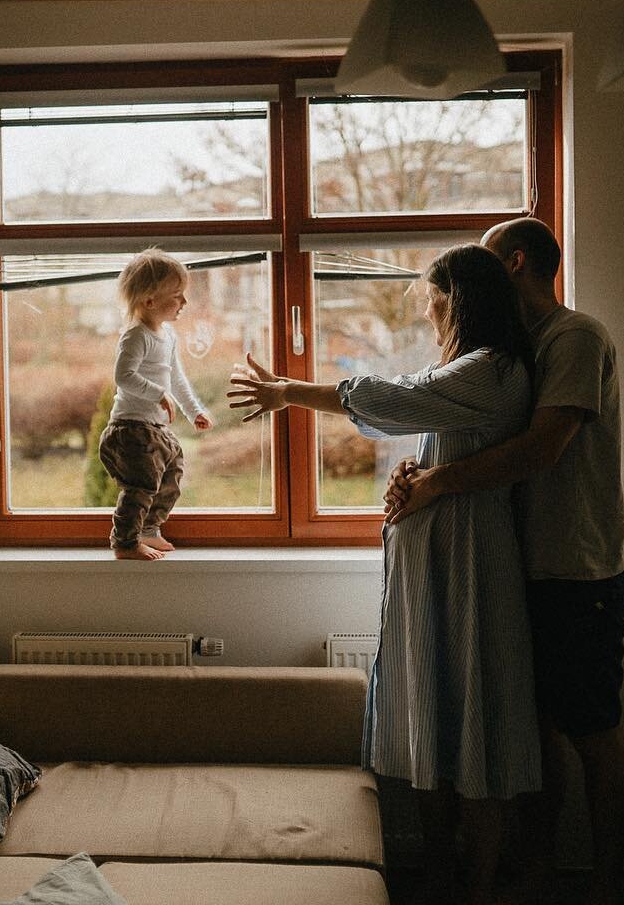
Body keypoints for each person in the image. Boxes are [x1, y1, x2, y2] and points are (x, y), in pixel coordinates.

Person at [229, 244, 541, 905]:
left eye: (432, 302)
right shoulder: (469, 368)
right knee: (431, 718)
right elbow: (429, 429)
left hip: (472, 571)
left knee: (478, 726)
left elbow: (392, 398)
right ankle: (438, 874)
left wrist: (288, 391)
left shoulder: (492, 371)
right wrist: (416, 474)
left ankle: (476, 887)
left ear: (458, 301)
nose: (427, 316)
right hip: (434, 569)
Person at [385, 217, 624, 905]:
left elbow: (540, 449)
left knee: (591, 731)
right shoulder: (510, 351)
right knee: (533, 735)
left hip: (575, 568)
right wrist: (420, 468)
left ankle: (609, 878)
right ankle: (539, 869)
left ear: (517, 262)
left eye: (489, 264)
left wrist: (436, 485)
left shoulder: (575, 336)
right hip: (518, 568)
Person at [99, 249, 212, 561]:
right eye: (177, 296)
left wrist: (194, 411)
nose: (184, 303)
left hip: (154, 429)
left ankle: (149, 529)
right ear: (149, 301)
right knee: (141, 486)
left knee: (172, 474)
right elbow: (123, 376)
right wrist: (157, 394)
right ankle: (125, 542)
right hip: (131, 429)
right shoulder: (136, 335)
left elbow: (177, 377)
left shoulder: (168, 335)